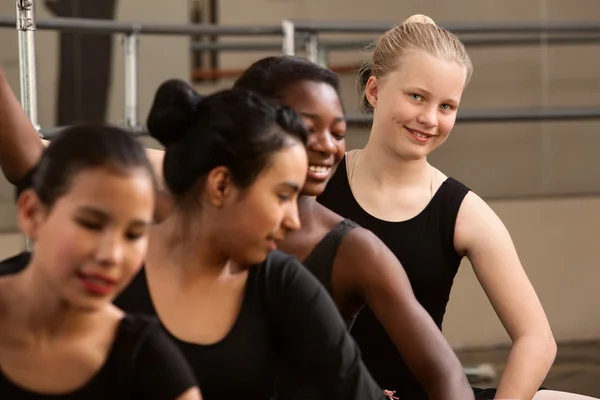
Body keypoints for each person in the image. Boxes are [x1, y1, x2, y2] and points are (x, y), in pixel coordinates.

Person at [0, 71, 387, 400]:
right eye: (282, 195)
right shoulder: (91, 281)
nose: (293, 220)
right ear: (220, 185)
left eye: (132, 232)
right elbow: (29, 160)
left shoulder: (278, 284)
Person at [317, 13, 597, 400]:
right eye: (416, 96)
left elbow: (537, 339)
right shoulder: (316, 181)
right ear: (375, 91)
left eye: (447, 106)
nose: (430, 119)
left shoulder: (464, 211)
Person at [232, 55, 473, 400]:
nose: (328, 145)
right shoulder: (199, 215)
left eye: (338, 132)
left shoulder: (356, 250)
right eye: (307, 126)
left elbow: (448, 377)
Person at [0, 124, 201, 400]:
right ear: (32, 213)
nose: (112, 255)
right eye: (91, 224)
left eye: (134, 234)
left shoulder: (147, 360)